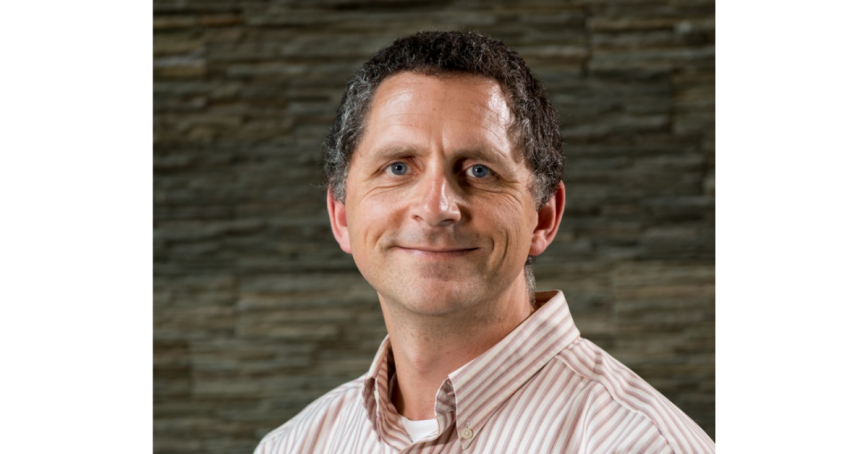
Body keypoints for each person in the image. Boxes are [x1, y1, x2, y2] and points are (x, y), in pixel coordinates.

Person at [254, 31, 714, 453]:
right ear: (341, 216)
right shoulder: (294, 445)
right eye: (398, 167)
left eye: (479, 170)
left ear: (544, 217)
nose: (436, 208)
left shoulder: (640, 444)